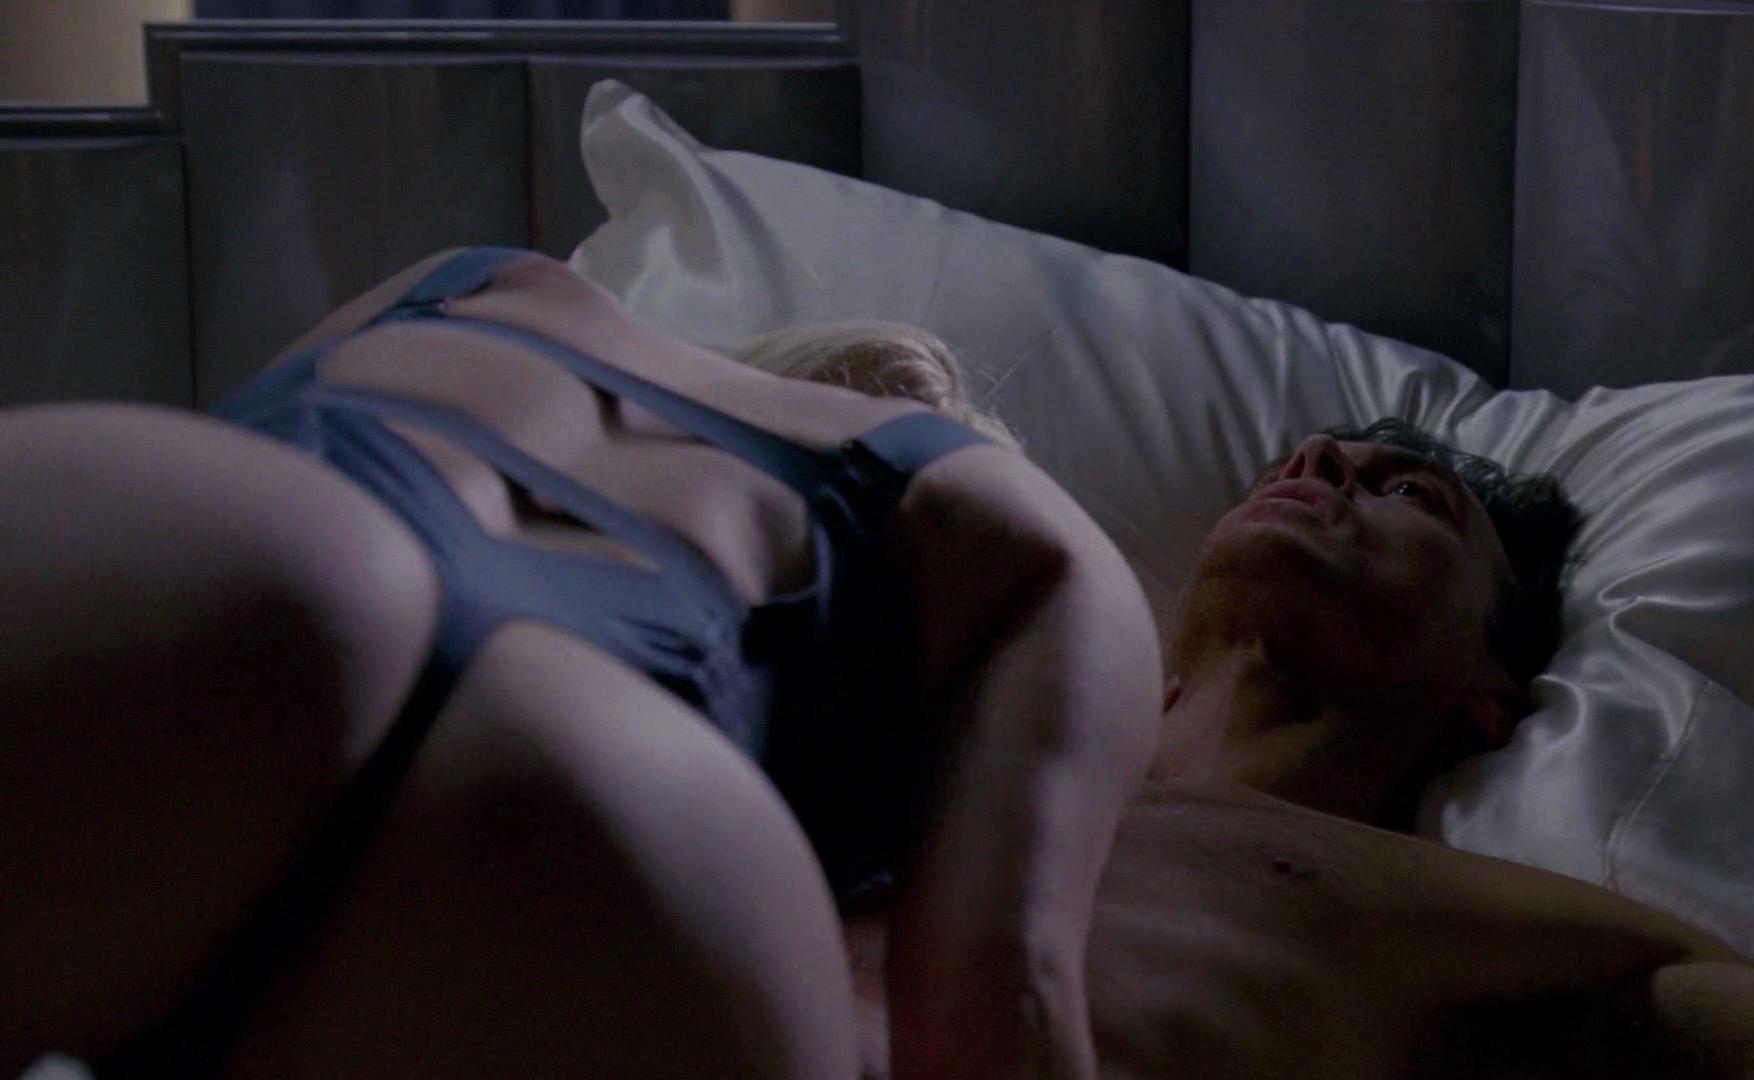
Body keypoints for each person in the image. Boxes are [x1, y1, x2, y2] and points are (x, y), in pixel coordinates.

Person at [0, 248, 1163, 1080]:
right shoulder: (1026, 534)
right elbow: (999, 1010)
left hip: (271, 533)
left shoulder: (480, 280)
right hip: (632, 816)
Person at [835, 415, 1754, 1078]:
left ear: (1488, 691)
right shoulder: (947, 706)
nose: (1316, 462)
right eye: (1299, 460)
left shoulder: (1437, 915)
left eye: (1409, 495)